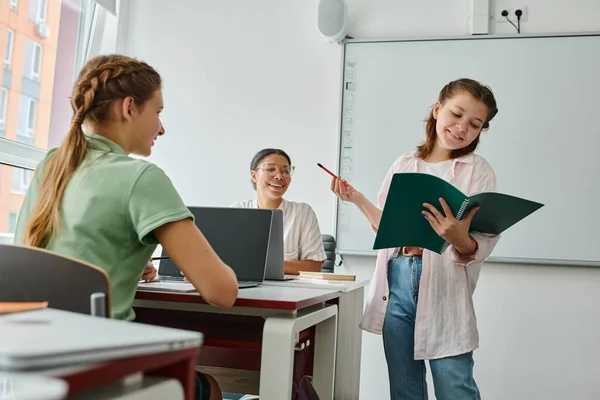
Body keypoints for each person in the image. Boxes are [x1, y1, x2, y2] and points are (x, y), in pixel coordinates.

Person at [14, 54, 238, 400]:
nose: (161, 128)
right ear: (129, 108)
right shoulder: (142, 177)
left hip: (32, 363)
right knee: (213, 387)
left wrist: (124, 263)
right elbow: (221, 292)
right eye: (158, 112)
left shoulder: (50, 165)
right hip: (99, 366)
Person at [330, 78, 500, 400]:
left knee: (455, 388)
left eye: (475, 124)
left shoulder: (478, 170)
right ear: (438, 109)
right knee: (405, 390)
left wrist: (458, 238)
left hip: (443, 287)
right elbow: (388, 228)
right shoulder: (405, 164)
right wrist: (358, 200)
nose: (462, 128)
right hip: (398, 281)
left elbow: (482, 240)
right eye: (456, 114)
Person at [231, 148, 326, 275]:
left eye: (286, 171)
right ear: (254, 175)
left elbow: (314, 266)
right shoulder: (237, 210)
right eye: (271, 169)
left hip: (289, 292)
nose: (279, 176)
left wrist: (260, 265)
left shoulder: (302, 212)